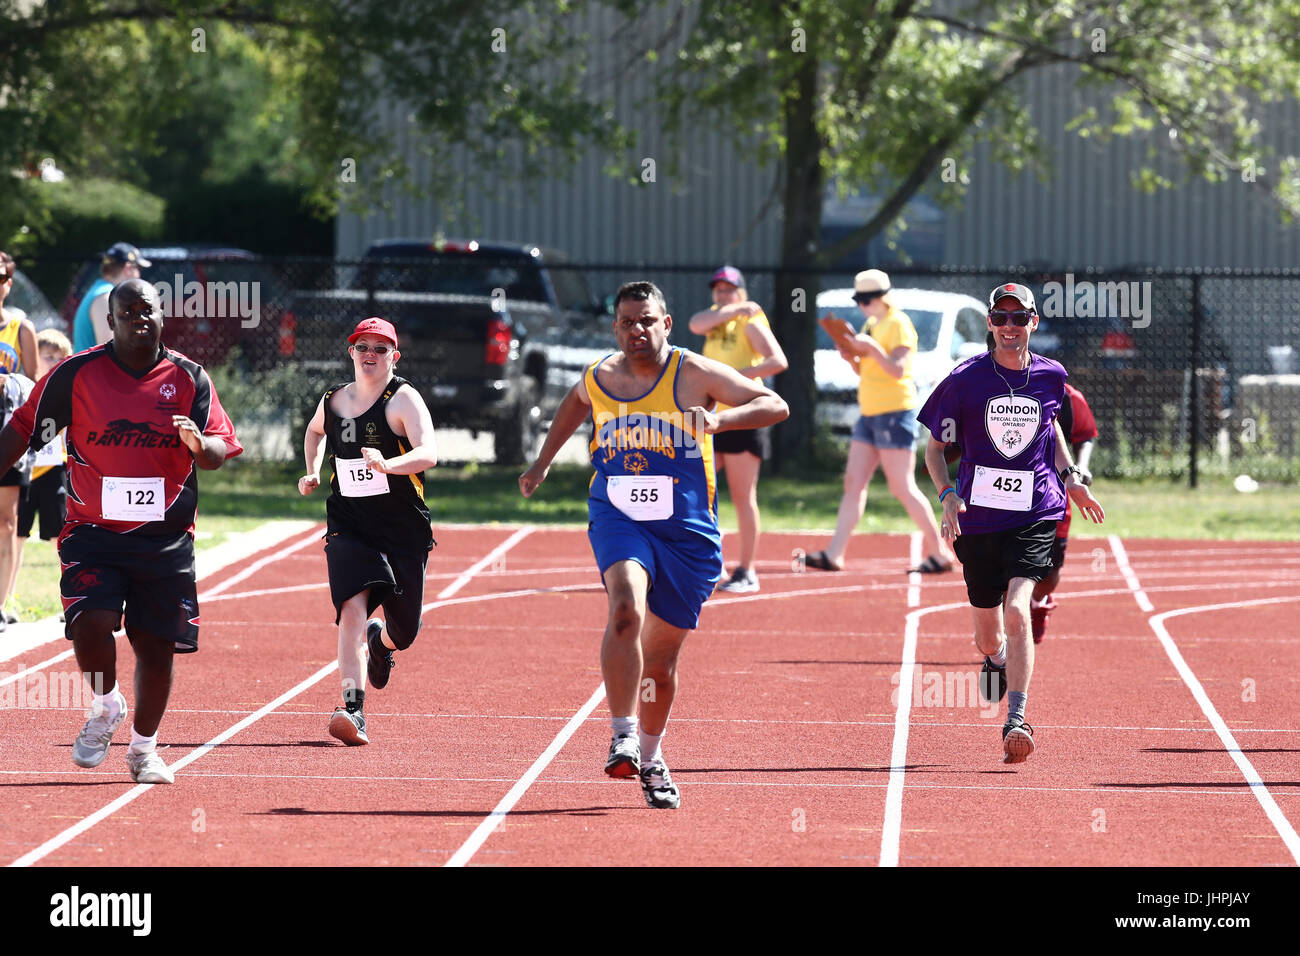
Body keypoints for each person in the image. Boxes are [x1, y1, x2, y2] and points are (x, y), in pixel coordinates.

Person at [519, 281, 788, 809]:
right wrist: (543, 461)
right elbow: (575, 405)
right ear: (615, 328)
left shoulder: (694, 373)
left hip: (687, 532)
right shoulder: (600, 376)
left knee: (660, 666)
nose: (636, 330)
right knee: (625, 609)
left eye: (646, 320)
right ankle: (621, 731)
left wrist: (719, 419)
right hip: (618, 515)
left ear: (666, 323)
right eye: (626, 322)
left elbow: (773, 403)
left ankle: (650, 753)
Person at [0, 278, 242, 784]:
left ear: (161, 315)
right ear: (109, 320)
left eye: (147, 309)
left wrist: (201, 446)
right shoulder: (76, 375)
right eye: (127, 311)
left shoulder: (189, 378)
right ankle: (106, 705)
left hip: (165, 537)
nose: (139, 317)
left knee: (155, 646)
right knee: (89, 625)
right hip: (92, 529)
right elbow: (24, 428)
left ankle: (144, 748)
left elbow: (220, 449)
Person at [918, 282, 1104, 764]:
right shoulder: (964, 379)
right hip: (977, 519)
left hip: (1036, 510)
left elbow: (1053, 427)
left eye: (1018, 319)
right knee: (987, 629)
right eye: (1000, 318)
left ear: (1033, 324)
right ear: (989, 324)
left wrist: (1071, 477)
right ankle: (995, 659)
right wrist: (946, 494)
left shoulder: (1051, 375)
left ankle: (1016, 719)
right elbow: (935, 450)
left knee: (1019, 608)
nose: (1008, 327)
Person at [298, 317, 438, 746]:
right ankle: (352, 709)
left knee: (406, 631)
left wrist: (388, 465)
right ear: (351, 353)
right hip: (349, 525)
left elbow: (429, 452)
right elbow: (314, 432)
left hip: (402, 530)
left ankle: (384, 645)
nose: (371, 355)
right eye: (363, 347)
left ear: (394, 356)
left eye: (381, 348)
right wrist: (311, 471)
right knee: (351, 610)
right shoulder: (334, 400)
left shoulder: (403, 400)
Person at [804, 269, 956, 574]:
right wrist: (852, 358)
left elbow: (898, 370)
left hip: (894, 411)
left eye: (867, 298)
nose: (862, 304)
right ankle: (835, 554)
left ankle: (940, 553)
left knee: (901, 486)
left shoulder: (898, 323)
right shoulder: (873, 324)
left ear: (883, 297)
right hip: (870, 412)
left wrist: (868, 348)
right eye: (858, 299)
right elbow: (868, 371)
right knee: (854, 483)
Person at [687, 265, 788, 593]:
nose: (722, 293)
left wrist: (737, 378)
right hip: (712, 418)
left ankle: (747, 570)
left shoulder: (750, 321)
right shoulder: (716, 318)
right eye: (718, 289)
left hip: (744, 416)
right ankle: (700, 562)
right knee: (694, 489)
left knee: (743, 497)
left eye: (729, 289)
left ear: (741, 290)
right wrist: (730, 308)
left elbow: (778, 361)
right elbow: (694, 323)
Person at [8, 329, 74, 624]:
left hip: (53, 472)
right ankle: (6, 601)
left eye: (61, 358)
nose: (54, 362)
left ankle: (71, 598)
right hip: (25, 474)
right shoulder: (24, 392)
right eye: (48, 356)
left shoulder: (67, 394)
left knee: (59, 538)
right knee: (16, 537)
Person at [1030, 381, 1098, 642]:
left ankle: (1039, 599)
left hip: (1052, 490)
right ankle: (1005, 636)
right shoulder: (987, 386)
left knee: (1049, 572)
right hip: (1006, 494)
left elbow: (1085, 434)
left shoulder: (1066, 395)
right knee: (1003, 567)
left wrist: (1080, 468)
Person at [72, 242, 151, 354]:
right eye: (138, 269)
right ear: (128, 269)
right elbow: (109, 352)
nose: (139, 275)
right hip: (95, 371)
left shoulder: (101, 292)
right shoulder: (105, 298)